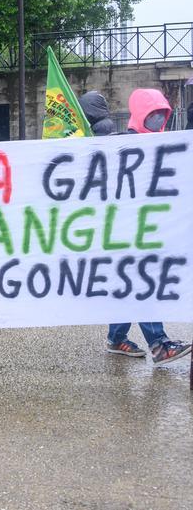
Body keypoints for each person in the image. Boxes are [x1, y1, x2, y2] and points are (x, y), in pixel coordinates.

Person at [96, 89, 191, 366]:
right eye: (153, 115)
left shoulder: (166, 145)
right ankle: (159, 344)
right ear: (139, 115)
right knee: (140, 284)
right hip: (123, 230)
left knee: (130, 285)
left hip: (144, 230)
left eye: (162, 115)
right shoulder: (121, 145)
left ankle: (116, 338)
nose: (158, 120)